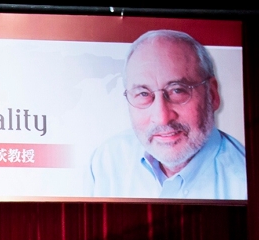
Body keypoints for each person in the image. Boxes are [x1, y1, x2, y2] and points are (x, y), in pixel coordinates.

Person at [86, 29, 247, 200]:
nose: (162, 117)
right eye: (143, 94)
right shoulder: (106, 163)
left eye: (177, 91)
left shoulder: (248, 182)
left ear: (212, 94)